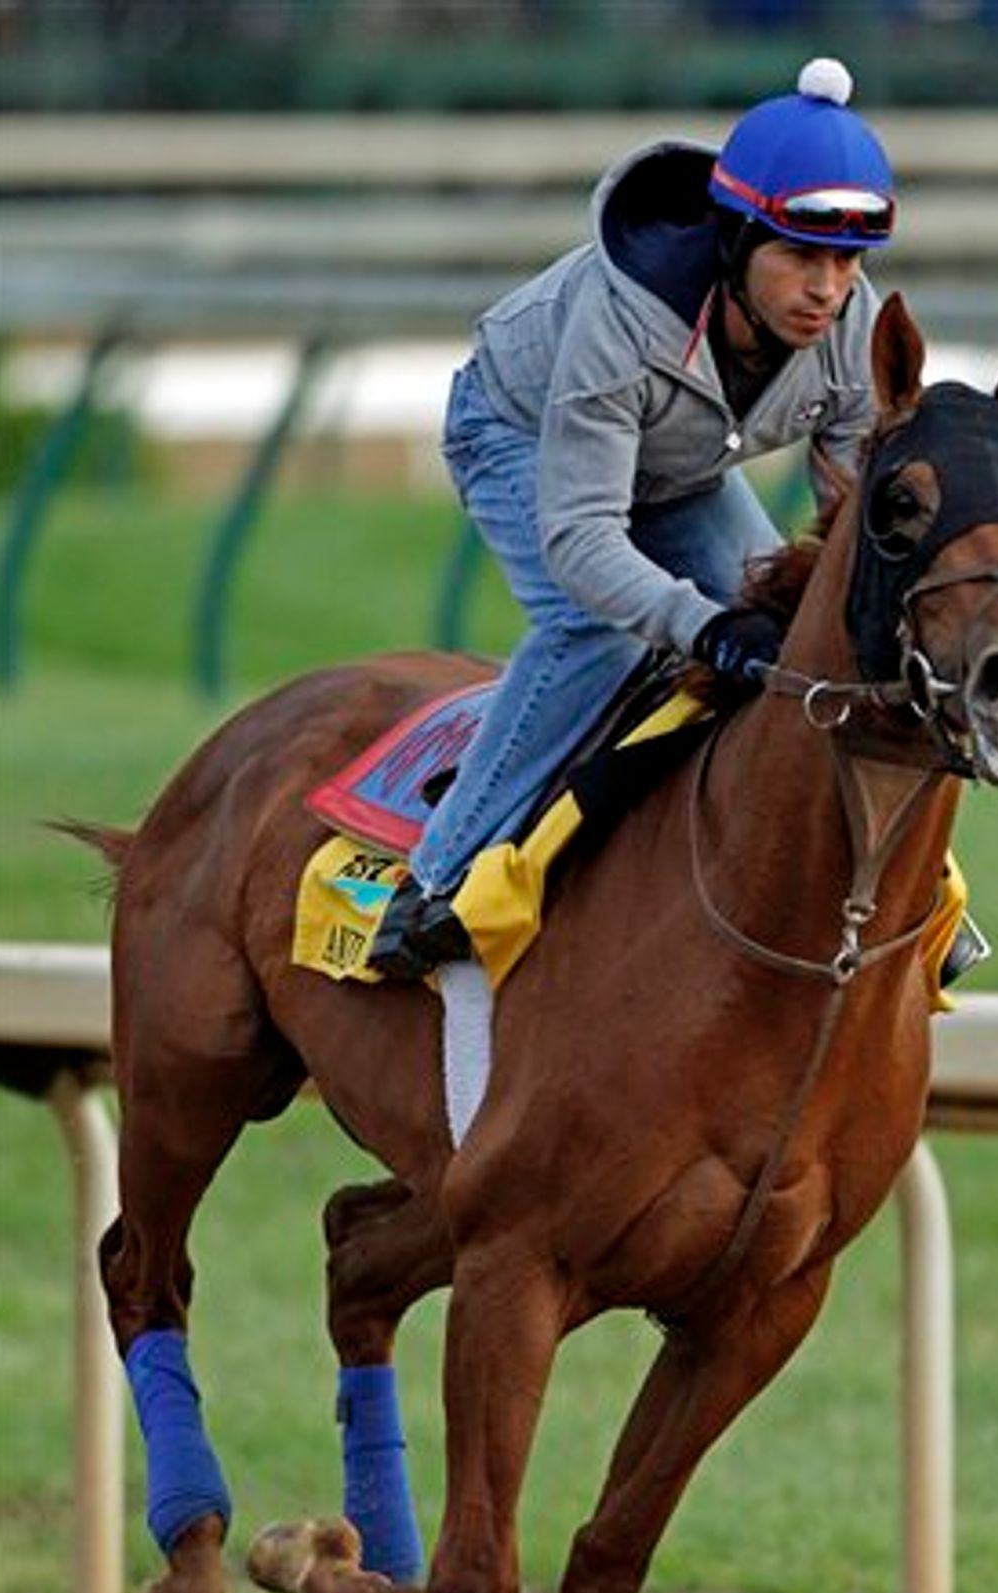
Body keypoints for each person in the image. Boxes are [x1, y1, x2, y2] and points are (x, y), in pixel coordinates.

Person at [370, 57, 897, 980]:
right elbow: (582, 541)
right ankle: (435, 877)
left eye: (848, 262)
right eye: (801, 257)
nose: (829, 289)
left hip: (677, 467)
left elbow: (851, 529)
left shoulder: (855, 325)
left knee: (793, 641)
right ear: (735, 243)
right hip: (516, 430)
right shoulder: (625, 322)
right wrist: (701, 622)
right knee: (599, 631)